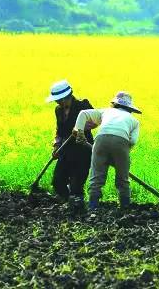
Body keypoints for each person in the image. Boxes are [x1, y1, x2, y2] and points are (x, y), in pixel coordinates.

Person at [73, 91, 141, 210]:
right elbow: (133, 141)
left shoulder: (106, 111)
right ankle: (125, 207)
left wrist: (79, 131)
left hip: (101, 140)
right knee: (122, 178)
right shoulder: (134, 121)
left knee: (96, 176)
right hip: (122, 142)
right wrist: (122, 156)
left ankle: (93, 206)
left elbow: (83, 113)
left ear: (114, 104)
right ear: (130, 109)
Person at [46, 79, 94, 209]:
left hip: (83, 147)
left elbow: (95, 121)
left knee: (76, 184)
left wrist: (80, 128)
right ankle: (68, 203)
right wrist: (56, 145)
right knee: (58, 181)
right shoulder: (58, 110)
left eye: (58, 99)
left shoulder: (83, 105)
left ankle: (78, 206)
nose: (56, 102)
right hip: (65, 149)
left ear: (64, 97)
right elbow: (59, 130)